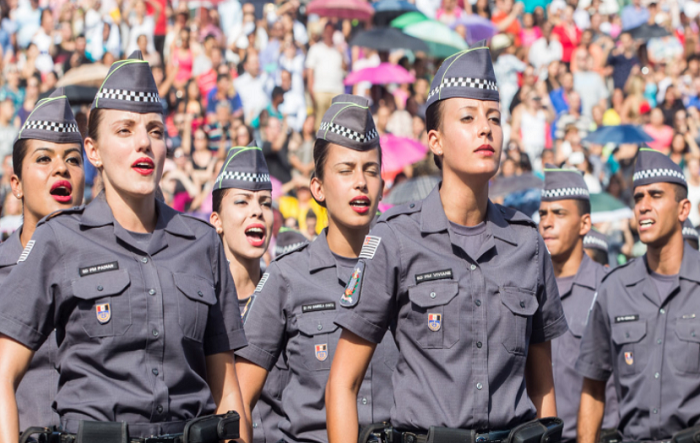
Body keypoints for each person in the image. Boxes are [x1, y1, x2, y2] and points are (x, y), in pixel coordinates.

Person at [0, 52, 250, 442]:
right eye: (124, 130)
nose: (143, 143)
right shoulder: (60, 238)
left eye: (154, 130)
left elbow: (228, 391)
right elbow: (3, 373)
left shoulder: (202, 243)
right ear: (93, 151)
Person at [326, 42, 567, 443]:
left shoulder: (526, 242)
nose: (485, 129)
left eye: (494, 117)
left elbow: (542, 388)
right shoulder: (395, 237)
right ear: (435, 141)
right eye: (468, 118)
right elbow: (342, 383)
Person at [235, 94, 398, 443]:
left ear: (382, 186)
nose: (360, 182)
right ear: (318, 188)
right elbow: (238, 403)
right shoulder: (286, 278)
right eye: (346, 170)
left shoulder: (406, 270)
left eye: (371, 170)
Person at [577, 148, 699, 443]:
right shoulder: (614, 288)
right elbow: (593, 388)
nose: (643, 206)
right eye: (638, 198)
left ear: (683, 209)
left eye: (655, 196)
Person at [0, 88, 85, 432]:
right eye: (44, 159)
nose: (61, 169)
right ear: (16, 184)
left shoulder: (117, 262)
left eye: (73, 160)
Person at [537, 167, 618, 443]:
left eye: (559, 214)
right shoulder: (528, 289)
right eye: (543, 214)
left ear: (585, 224)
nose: (547, 223)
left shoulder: (609, 289)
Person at [209, 145, 283, 443]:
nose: (257, 211)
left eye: (265, 203)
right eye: (242, 201)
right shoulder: (202, 305)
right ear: (216, 220)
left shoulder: (286, 297)